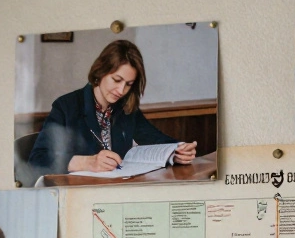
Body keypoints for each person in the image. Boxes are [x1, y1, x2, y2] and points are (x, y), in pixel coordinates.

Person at [27, 40, 197, 179]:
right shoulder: (66, 106)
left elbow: (154, 138)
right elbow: (37, 160)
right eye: (116, 80)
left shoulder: (125, 107)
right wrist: (87, 163)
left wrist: (177, 150)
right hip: (77, 194)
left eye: (129, 84)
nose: (121, 91)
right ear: (101, 71)